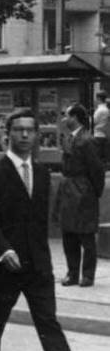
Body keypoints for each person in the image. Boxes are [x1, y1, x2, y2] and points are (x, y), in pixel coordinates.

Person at [0, 108, 88, 351]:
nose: (24, 135)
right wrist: (3, 250)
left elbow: (39, 222)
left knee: (48, 319)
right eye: (18, 130)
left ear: (37, 135)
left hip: (38, 263)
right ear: (7, 135)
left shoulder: (41, 172)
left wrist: (47, 260)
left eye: (30, 130)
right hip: (6, 263)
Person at [54, 103, 104, 288]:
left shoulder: (87, 140)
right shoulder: (69, 139)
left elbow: (97, 170)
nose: (64, 119)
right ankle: (72, 273)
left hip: (83, 191)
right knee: (69, 235)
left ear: (75, 118)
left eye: (66, 116)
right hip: (68, 190)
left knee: (86, 236)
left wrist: (92, 191)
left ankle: (88, 275)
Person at [92, 91, 109, 165]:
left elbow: (94, 121)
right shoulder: (107, 109)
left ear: (98, 98)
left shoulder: (99, 110)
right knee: (102, 157)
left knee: (97, 157)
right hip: (105, 135)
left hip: (98, 135)